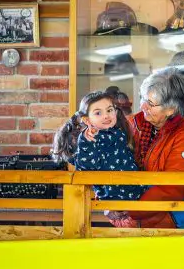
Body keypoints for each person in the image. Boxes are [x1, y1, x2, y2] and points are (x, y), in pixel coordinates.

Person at [117, 69, 184, 229]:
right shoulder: (132, 124)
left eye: (151, 104)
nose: (143, 106)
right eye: (143, 99)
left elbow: (173, 187)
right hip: (136, 220)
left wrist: (132, 209)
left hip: (173, 222)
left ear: (171, 109)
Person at [52, 91, 145, 226]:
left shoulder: (117, 132)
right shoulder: (90, 139)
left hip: (135, 193)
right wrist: (85, 141)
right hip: (116, 202)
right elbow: (85, 166)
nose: (106, 116)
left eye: (109, 110)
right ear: (87, 120)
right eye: (98, 113)